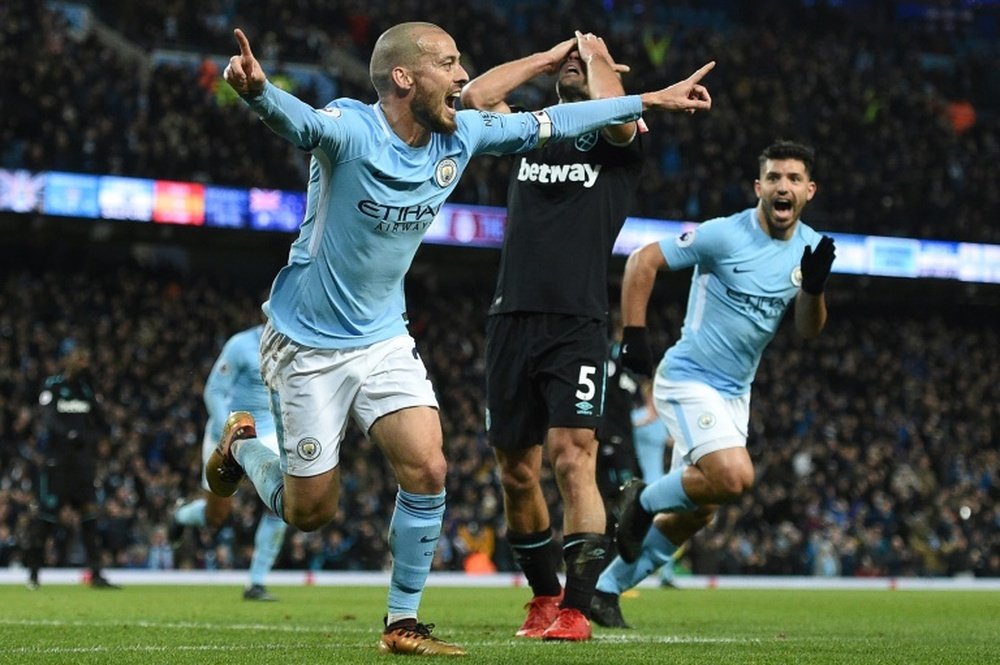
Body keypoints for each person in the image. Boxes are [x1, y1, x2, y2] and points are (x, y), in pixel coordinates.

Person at [213, 22, 714, 657]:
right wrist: (258, 91)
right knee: (309, 509)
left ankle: (402, 622)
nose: (460, 77)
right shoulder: (351, 128)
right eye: (448, 65)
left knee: (429, 467)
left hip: (383, 337)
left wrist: (649, 100)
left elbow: (554, 124)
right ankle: (242, 451)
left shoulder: (463, 135)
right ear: (404, 77)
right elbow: (302, 124)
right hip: (308, 343)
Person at [460, 31, 705, 641]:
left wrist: (595, 59)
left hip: (577, 321)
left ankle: (575, 607)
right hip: (510, 316)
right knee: (516, 471)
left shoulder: (618, 143)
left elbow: (620, 114)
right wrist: (547, 58)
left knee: (575, 458)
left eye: (586, 62)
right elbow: (472, 98)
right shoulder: (529, 129)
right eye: (568, 60)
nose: (576, 62)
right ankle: (543, 597)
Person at [589, 140, 836, 628]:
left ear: (809, 190)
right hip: (688, 379)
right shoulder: (725, 235)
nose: (782, 186)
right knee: (735, 477)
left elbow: (808, 329)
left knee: (698, 512)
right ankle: (640, 500)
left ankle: (605, 589)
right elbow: (643, 260)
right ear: (758, 187)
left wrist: (813, 288)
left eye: (793, 179)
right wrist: (634, 336)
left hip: (735, 393)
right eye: (774, 177)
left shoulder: (810, 247)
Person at [169, 324, 287, 601]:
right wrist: (228, 431)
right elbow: (214, 391)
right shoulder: (240, 344)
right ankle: (180, 516)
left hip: (268, 432)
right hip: (228, 428)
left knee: (283, 501)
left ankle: (255, 583)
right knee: (216, 516)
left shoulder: (296, 344)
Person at [24, 341, 119, 590]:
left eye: (86, 360)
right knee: (47, 519)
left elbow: (101, 420)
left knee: (89, 518)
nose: (83, 364)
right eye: (79, 359)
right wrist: (70, 434)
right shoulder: (53, 385)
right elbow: (47, 417)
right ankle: (33, 575)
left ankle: (96, 574)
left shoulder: (87, 390)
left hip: (83, 466)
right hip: (58, 464)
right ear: (67, 361)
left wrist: (104, 435)